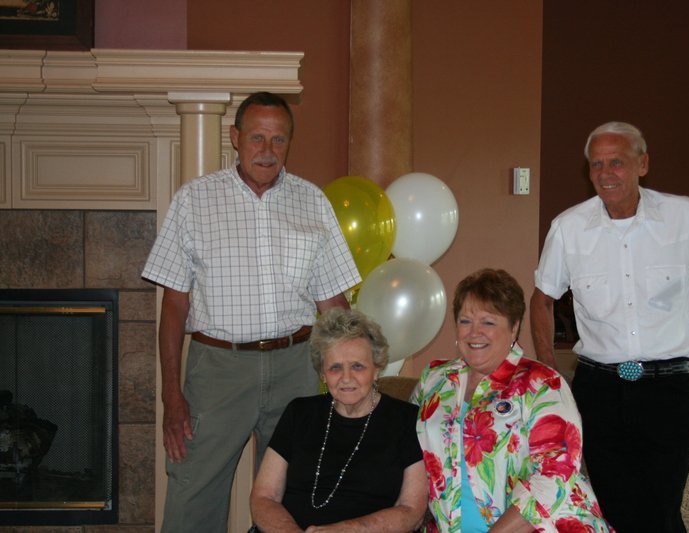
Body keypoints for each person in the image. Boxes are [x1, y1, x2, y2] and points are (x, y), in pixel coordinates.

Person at [141, 91, 361, 532]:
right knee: (193, 491)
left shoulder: (313, 202)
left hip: (297, 366)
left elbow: (333, 305)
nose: (267, 150)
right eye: (257, 137)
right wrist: (171, 394)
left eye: (279, 139)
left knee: (293, 495)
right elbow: (174, 304)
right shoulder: (194, 200)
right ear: (235, 137)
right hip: (218, 369)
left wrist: (356, 373)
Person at [531, 121, 689, 532]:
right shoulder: (568, 228)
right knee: (609, 507)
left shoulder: (685, 216)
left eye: (616, 162)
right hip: (598, 391)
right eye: (596, 164)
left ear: (643, 164)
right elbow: (542, 299)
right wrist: (550, 370)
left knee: (660, 508)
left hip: (666, 389)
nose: (605, 173)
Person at [413, 268, 611, 533]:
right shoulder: (434, 380)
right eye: (465, 321)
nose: (474, 332)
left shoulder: (542, 383)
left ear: (514, 327)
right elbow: (401, 449)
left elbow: (554, 475)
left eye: (488, 322)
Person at [249, 308, 427, 532]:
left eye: (357, 366)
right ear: (323, 373)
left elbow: (412, 511)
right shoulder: (299, 413)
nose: (346, 378)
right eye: (335, 368)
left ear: (376, 369)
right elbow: (264, 497)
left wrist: (347, 530)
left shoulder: (406, 419)